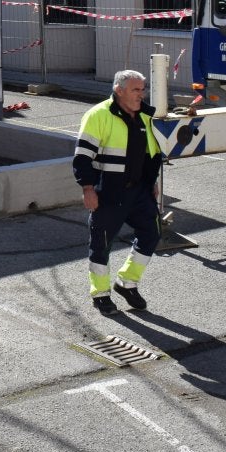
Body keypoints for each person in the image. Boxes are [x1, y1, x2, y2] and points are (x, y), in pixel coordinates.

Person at [72, 69, 164, 316]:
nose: (141, 94)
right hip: (108, 191)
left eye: (142, 89)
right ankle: (100, 294)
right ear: (119, 90)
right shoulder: (98, 115)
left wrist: (151, 181)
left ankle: (127, 283)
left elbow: (150, 153)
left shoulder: (144, 115)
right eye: (136, 89)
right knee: (101, 244)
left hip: (139, 191)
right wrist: (88, 188)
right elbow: (82, 157)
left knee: (152, 233)